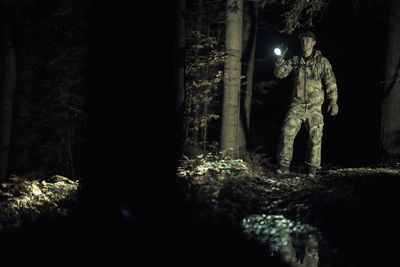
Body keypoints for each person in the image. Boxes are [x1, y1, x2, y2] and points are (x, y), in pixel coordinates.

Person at [273, 31, 338, 178]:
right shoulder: (295, 60)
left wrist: (333, 101)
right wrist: (279, 58)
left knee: (316, 136)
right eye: (303, 40)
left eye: (308, 40)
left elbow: (330, 82)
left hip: (315, 106)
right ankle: (283, 166)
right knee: (286, 132)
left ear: (314, 43)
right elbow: (280, 74)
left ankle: (311, 169)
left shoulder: (322, 61)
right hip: (297, 104)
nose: (305, 42)